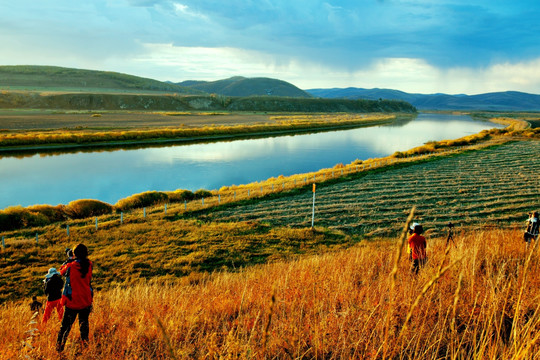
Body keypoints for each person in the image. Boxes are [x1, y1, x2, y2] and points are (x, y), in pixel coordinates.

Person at [56, 244, 93, 352]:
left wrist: (69, 260)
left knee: (65, 328)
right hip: (86, 300)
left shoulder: (70, 266)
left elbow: (61, 271)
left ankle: (59, 349)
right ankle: (85, 348)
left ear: (75, 254)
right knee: (84, 326)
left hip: (72, 301)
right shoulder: (90, 264)